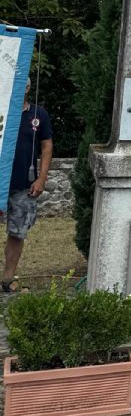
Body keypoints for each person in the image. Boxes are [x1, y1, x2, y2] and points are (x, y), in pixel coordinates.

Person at [2, 78, 53, 293]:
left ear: (28, 88)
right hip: (1, 183)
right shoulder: (2, 110)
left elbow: (46, 145)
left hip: (24, 185)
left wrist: (41, 179)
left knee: (17, 233)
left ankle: (7, 279)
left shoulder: (38, 114)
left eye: (22, 84)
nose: (18, 88)